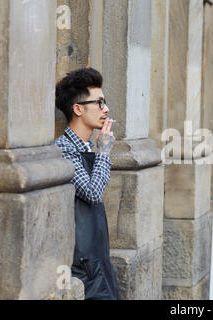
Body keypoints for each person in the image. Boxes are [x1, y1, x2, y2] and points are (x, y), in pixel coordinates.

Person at [54, 68, 119, 300]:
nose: (106, 109)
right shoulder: (64, 149)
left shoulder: (86, 147)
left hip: (99, 262)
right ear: (78, 108)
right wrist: (103, 151)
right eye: (99, 103)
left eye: (105, 102)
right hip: (82, 269)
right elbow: (93, 193)